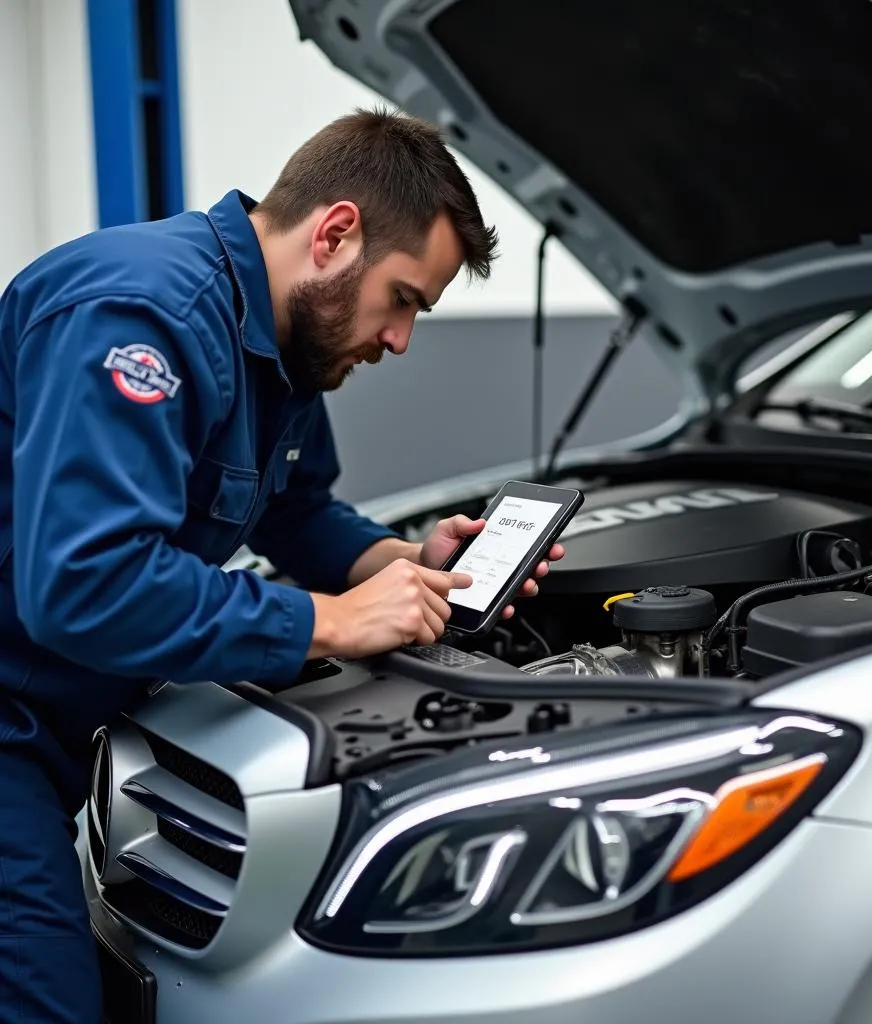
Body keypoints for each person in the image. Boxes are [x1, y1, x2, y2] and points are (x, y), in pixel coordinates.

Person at [0, 107, 564, 1024]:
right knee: (49, 1004)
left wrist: (407, 564)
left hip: (64, 726)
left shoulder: (287, 346)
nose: (401, 340)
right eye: (405, 299)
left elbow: (298, 511)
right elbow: (84, 583)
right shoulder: (141, 314)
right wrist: (330, 620)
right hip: (12, 719)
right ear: (336, 234)